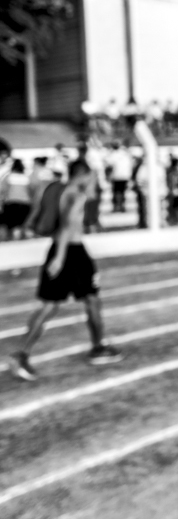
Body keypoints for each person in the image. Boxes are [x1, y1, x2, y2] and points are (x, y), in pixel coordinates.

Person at [9, 159, 124, 382]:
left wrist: (58, 255)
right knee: (80, 301)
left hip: (63, 250)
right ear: (83, 175)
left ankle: (23, 353)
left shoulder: (61, 191)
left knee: (71, 302)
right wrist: (60, 258)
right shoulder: (76, 195)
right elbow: (67, 225)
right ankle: (96, 348)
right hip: (72, 252)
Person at [0, 159, 32, 240]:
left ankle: (11, 238)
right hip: (25, 203)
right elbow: (31, 191)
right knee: (21, 223)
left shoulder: (8, 177)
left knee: (10, 224)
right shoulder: (26, 177)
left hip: (11, 203)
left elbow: (2, 191)